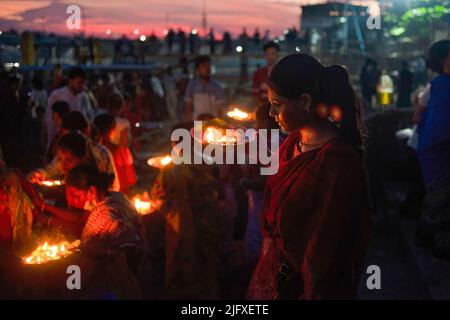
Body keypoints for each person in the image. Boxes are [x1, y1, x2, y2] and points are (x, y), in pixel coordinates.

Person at [246, 54, 372, 300]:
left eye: (278, 104)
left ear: (305, 101)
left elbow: (326, 257)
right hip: (274, 273)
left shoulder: (336, 165)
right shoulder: (292, 143)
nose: (271, 112)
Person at [150, 129, 224, 299]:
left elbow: (160, 197)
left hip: (181, 228)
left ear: (175, 145)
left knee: (182, 273)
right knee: (207, 270)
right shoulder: (208, 163)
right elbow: (221, 193)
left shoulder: (172, 169)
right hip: (208, 226)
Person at [416, 40, 450, 257]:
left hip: (433, 149)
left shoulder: (440, 83)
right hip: (437, 152)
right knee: (442, 206)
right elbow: (439, 126)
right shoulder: (442, 84)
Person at [28, 131, 120, 192]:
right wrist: (39, 174)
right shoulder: (65, 167)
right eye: (59, 159)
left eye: (69, 160)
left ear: (82, 158)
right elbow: (50, 171)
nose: (62, 164)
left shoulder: (89, 181)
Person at [46, 67, 93, 148]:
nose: (81, 86)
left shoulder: (84, 96)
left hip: (81, 141)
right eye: (79, 83)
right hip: (61, 140)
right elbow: (49, 121)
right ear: (70, 81)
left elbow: (89, 117)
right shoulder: (56, 95)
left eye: (83, 83)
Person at [94, 113, 136, 195]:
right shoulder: (118, 152)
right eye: (125, 133)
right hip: (115, 196)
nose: (128, 137)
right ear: (112, 131)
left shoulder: (92, 148)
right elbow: (127, 182)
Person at [184, 55, 226, 121]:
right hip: (197, 123)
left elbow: (220, 108)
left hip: (213, 122)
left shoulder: (217, 86)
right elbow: (187, 106)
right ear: (198, 70)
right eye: (204, 66)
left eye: (208, 66)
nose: (207, 69)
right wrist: (189, 121)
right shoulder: (192, 86)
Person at [253, 41, 280, 107]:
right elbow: (255, 94)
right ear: (264, 56)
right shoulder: (258, 73)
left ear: (277, 55)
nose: (270, 56)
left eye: (273, 54)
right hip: (262, 106)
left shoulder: (281, 72)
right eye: (267, 54)